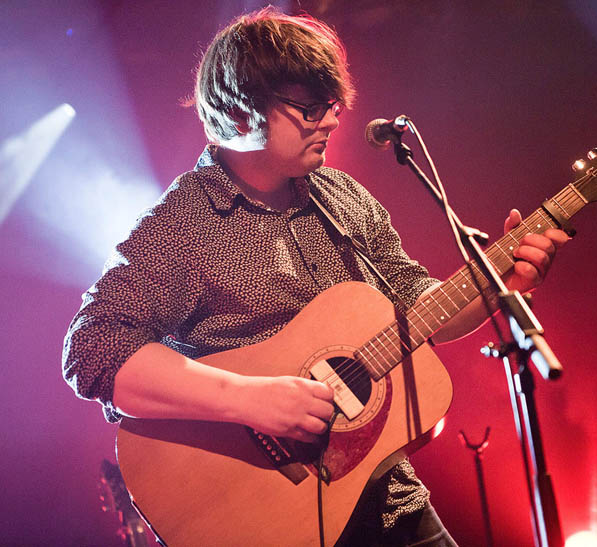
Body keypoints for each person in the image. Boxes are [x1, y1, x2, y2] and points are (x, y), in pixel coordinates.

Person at [62, 7, 568, 546]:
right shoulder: (183, 224)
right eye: (309, 108)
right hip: (264, 518)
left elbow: (421, 308)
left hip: (387, 498)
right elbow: (91, 349)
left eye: (330, 105)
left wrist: (497, 285)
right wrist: (249, 398)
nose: (330, 120)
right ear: (240, 113)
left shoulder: (341, 196)